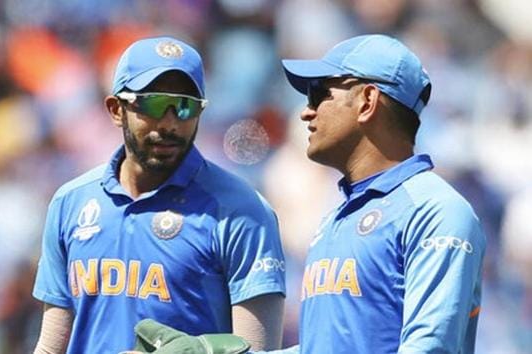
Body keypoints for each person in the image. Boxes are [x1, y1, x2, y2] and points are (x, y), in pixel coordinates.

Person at [127, 34, 486, 354]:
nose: (306, 111)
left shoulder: (434, 211)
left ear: (367, 101)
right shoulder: (337, 218)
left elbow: (430, 347)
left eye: (320, 93)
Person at [31, 36, 286, 354]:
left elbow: (258, 351)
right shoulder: (71, 202)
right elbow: (52, 342)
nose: (169, 123)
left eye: (184, 107)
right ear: (116, 109)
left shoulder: (241, 210)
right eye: (152, 104)